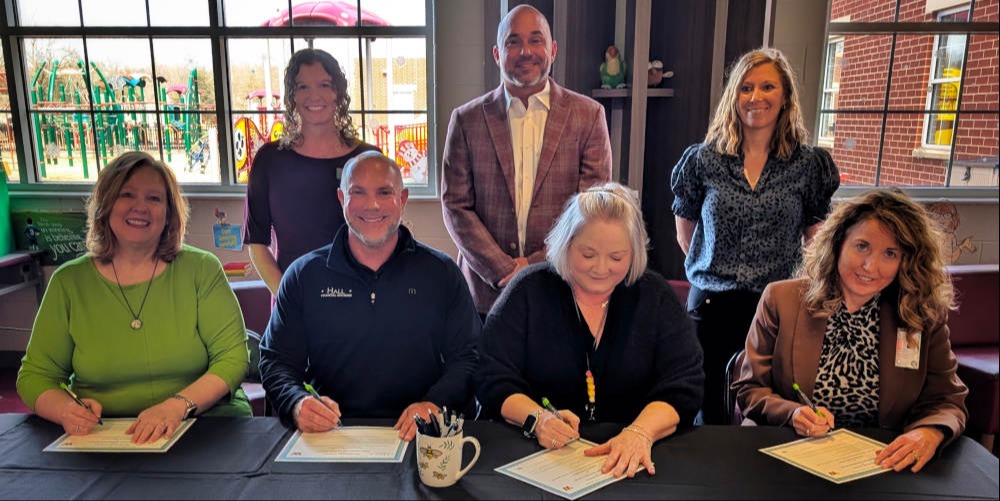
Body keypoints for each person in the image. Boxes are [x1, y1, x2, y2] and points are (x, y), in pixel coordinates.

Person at [17, 151, 252, 444]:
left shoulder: (202, 269)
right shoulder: (68, 282)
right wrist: (66, 410)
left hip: (203, 422)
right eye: (126, 195)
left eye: (154, 198)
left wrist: (176, 406)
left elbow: (232, 358)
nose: (140, 207)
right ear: (105, 205)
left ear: (169, 212)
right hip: (105, 431)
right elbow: (35, 377)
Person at [476, 182, 704, 479]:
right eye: (588, 254)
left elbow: (685, 384)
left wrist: (640, 432)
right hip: (535, 456)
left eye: (617, 258)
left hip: (632, 460)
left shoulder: (654, 296)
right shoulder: (528, 291)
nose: (601, 268)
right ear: (565, 244)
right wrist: (537, 419)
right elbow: (491, 376)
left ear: (634, 253)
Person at [734, 188, 968, 473]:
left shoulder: (921, 313)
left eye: (890, 253)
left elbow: (947, 400)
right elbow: (749, 389)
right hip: (790, 454)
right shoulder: (781, 300)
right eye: (862, 246)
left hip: (881, 463)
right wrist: (793, 413)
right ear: (837, 243)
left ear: (906, 262)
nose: (870, 266)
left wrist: (930, 433)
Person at [670, 47, 840, 425]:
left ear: (785, 98)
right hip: (711, 306)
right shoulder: (703, 160)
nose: (756, 97)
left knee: (767, 412)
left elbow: (816, 243)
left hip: (775, 307)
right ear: (734, 96)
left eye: (767, 87)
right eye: (746, 87)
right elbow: (687, 237)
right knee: (707, 413)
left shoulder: (808, 166)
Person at [259, 151, 480, 441]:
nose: (372, 205)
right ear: (341, 200)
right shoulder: (304, 276)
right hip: (331, 434)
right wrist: (297, 402)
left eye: (384, 192)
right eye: (358, 193)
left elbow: (469, 356)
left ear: (402, 200)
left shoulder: (441, 273)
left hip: (420, 434)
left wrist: (434, 403)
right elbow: (276, 360)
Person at [441, 4, 613, 318]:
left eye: (536, 40)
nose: (525, 51)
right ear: (497, 53)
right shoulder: (466, 120)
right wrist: (503, 268)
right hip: (483, 294)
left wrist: (534, 265)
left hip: (559, 287)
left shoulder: (588, 116)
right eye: (513, 42)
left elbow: (591, 206)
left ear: (553, 50)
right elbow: (456, 205)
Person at [244, 48, 381, 295]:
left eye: (324, 85)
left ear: (338, 92)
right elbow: (257, 244)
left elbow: (383, 234)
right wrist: (287, 296)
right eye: (302, 87)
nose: (314, 95)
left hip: (357, 296)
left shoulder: (367, 159)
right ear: (292, 96)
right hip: (293, 298)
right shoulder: (270, 160)